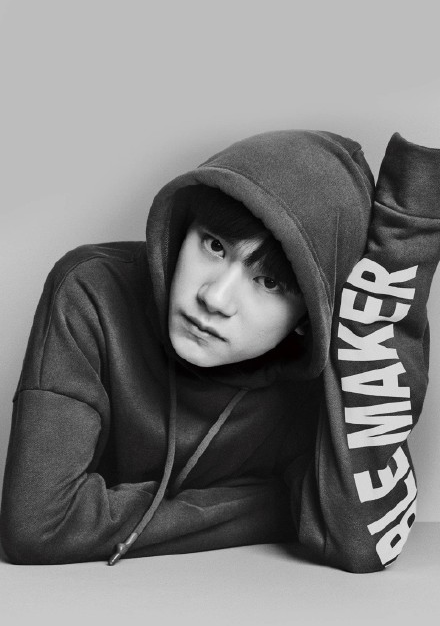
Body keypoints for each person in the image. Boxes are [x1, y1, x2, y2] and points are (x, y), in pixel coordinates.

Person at [1, 129, 439, 572]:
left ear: (307, 316)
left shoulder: (314, 383)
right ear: (184, 228)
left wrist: (399, 258)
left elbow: (363, 541)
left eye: (268, 282)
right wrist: (281, 507)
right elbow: (39, 526)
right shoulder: (93, 293)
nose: (214, 298)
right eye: (214, 246)